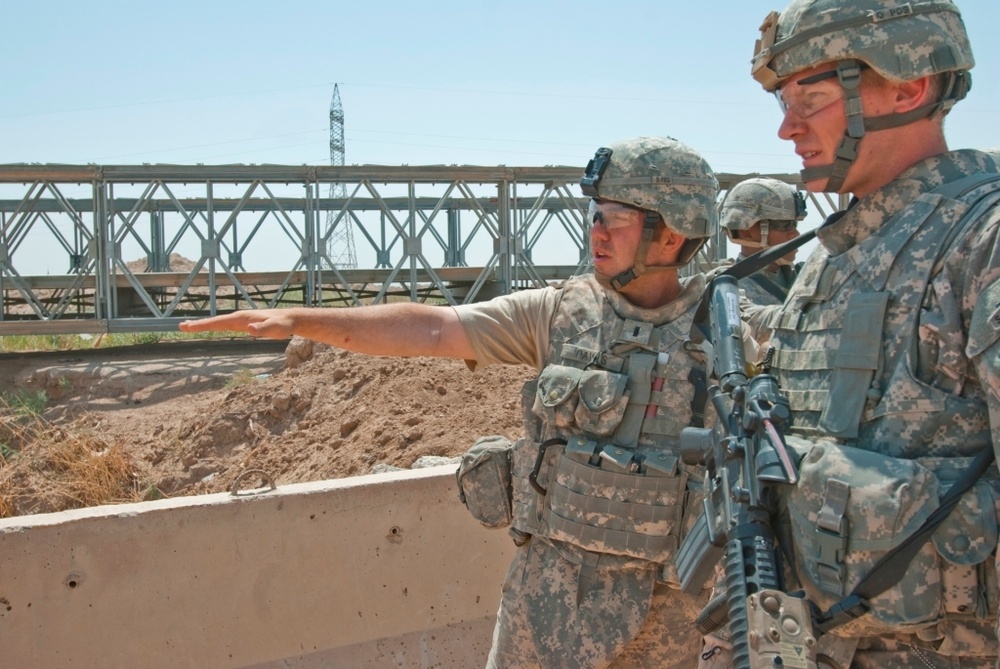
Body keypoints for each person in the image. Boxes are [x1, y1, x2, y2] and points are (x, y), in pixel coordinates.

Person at [180, 136, 726, 668]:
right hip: (537, 615)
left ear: (671, 234)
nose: (595, 230)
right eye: (594, 213)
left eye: (616, 218)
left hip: (660, 633)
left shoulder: (730, 337)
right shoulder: (560, 312)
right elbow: (436, 329)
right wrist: (302, 320)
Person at [701, 1, 1000, 668]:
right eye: (784, 99)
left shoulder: (981, 240)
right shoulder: (828, 262)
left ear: (908, 83)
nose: (787, 127)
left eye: (813, 92)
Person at [718, 176, 807, 305]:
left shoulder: (805, 277)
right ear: (747, 232)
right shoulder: (729, 288)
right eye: (784, 225)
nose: (795, 234)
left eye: (794, 224)